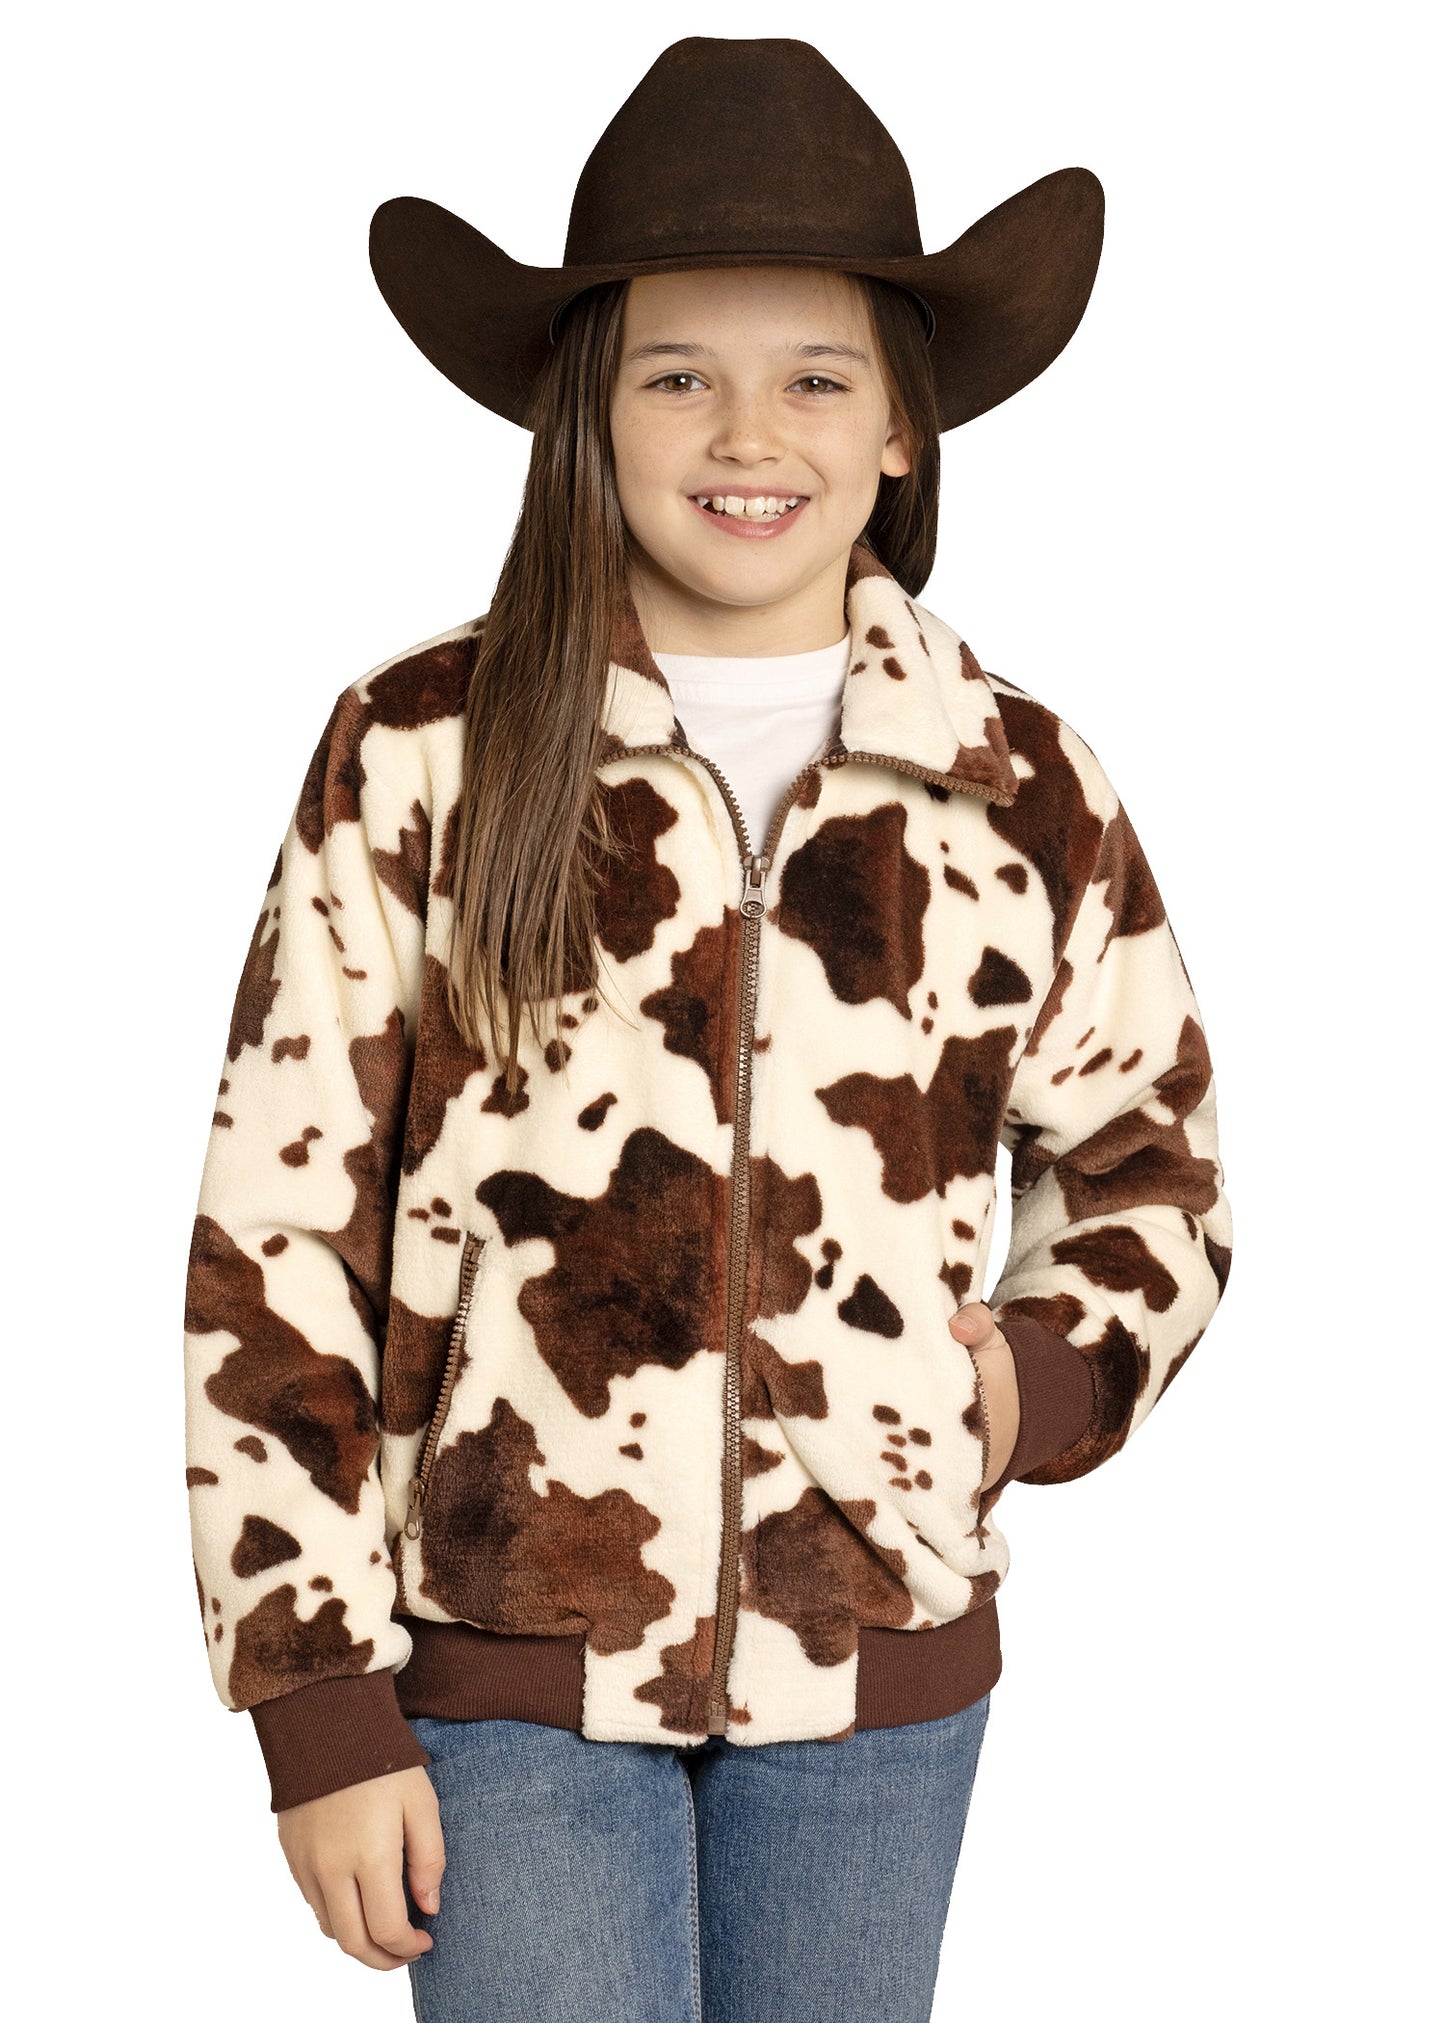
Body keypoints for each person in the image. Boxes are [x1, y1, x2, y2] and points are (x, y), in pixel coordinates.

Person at [183, 34, 1233, 2022]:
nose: (750, 430)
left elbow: (1153, 1168)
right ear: (591, 410)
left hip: (879, 1679)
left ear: (906, 426)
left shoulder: (1014, 787)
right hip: (497, 1653)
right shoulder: (424, 753)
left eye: (817, 375)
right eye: (682, 373)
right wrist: (314, 1691)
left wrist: (1009, 1383)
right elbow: (273, 1235)